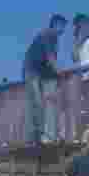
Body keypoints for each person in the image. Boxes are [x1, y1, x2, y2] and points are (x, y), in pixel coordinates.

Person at [23, 14, 68, 147]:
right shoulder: (47, 35)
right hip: (32, 72)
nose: (63, 30)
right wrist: (60, 73)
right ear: (54, 24)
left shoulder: (54, 40)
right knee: (36, 103)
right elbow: (51, 59)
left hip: (41, 74)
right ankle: (33, 137)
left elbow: (51, 61)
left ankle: (41, 135)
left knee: (43, 103)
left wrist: (57, 74)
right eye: (62, 26)